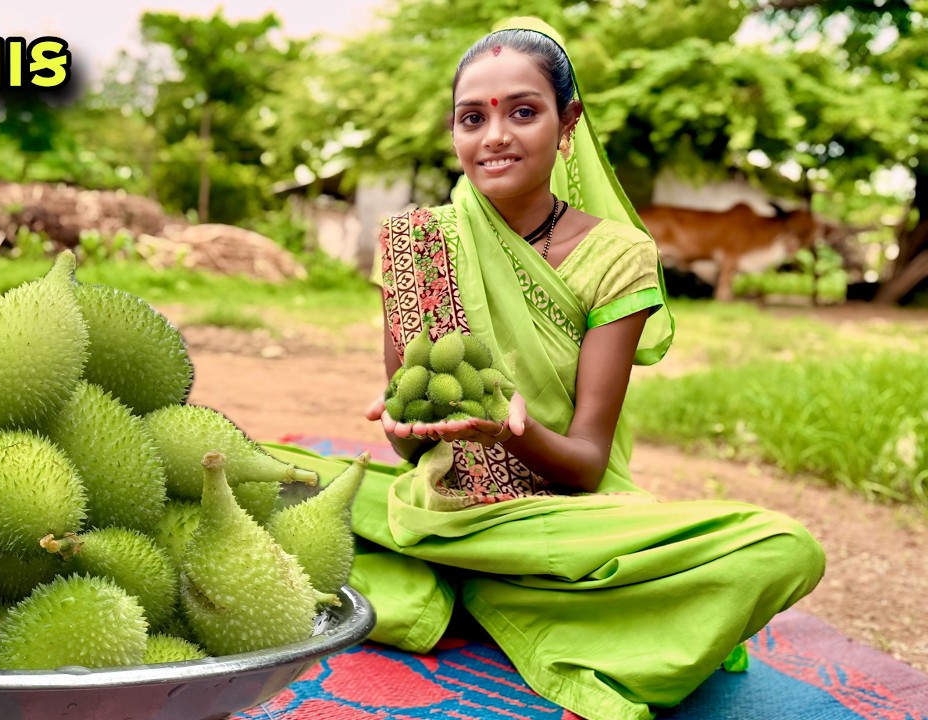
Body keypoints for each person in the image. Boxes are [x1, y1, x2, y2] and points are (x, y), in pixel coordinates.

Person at [262, 16, 826, 720]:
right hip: (438, 511)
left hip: (567, 521)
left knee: (784, 549)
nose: (494, 136)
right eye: (473, 117)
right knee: (243, 473)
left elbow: (587, 463)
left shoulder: (620, 254)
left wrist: (506, 432)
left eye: (522, 112)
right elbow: (407, 444)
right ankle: (491, 585)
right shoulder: (415, 240)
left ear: (567, 124)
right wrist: (408, 421)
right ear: (455, 131)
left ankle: (465, 587)